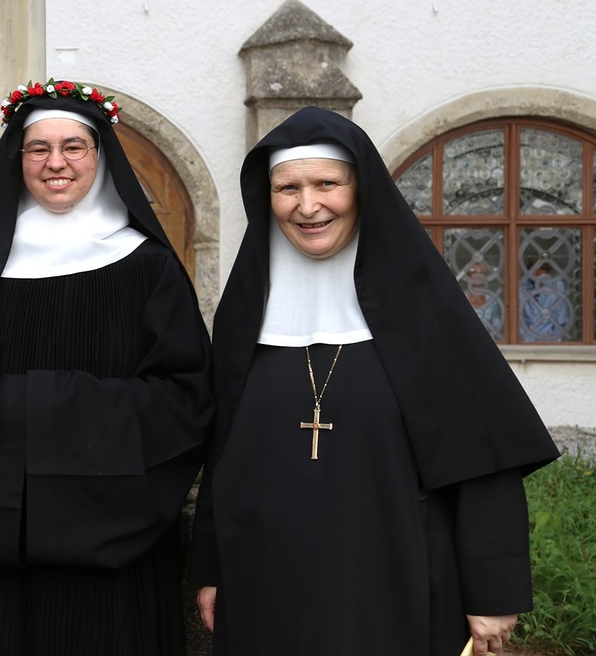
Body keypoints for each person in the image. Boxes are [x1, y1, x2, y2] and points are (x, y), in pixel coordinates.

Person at [189, 106, 559, 656]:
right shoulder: (246, 317)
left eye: (326, 184)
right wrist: (211, 567)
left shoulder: (424, 315)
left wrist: (492, 592)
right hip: (267, 587)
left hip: (400, 584)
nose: (307, 205)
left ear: (362, 190)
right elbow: (222, 457)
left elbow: (484, 462)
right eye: (287, 187)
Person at [0, 78, 213, 656]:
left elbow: (184, 395)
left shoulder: (150, 269)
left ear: (101, 156)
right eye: (38, 148)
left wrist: (26, 407)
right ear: (17, 158)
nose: (55, 163)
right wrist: (49, 409)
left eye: (74, 147)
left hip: (115, 543)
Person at [519, 256, 572, 342]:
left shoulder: (557, 286)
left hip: (549, 338)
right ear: (529, 271)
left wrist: (556, 341)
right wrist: (525, 339)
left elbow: (561, 318)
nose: (539, 273)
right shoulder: (521, 287)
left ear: (547, 272)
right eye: (535, 269)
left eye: (542, 270)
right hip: (526, 339)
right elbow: (518, 318)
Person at [465, 261, 504, 340]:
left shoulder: (492, 299)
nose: (478, 276)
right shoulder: (461, 297)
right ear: (469, 276)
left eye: (481, 272)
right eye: (474, 272)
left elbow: (496, 325)